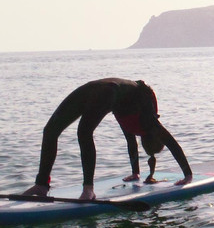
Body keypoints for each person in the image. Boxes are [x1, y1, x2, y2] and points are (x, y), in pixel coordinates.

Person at [22, 78, 192, 200]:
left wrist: (135, 173)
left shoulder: (136, 122)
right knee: (62, 131)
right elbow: (171, 143)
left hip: (93, 88)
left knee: (59, 131)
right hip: (105, 90)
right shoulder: (148, 121)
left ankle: (49, 185)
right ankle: (50, 187)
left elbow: (131, 143)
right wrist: (187, 175)